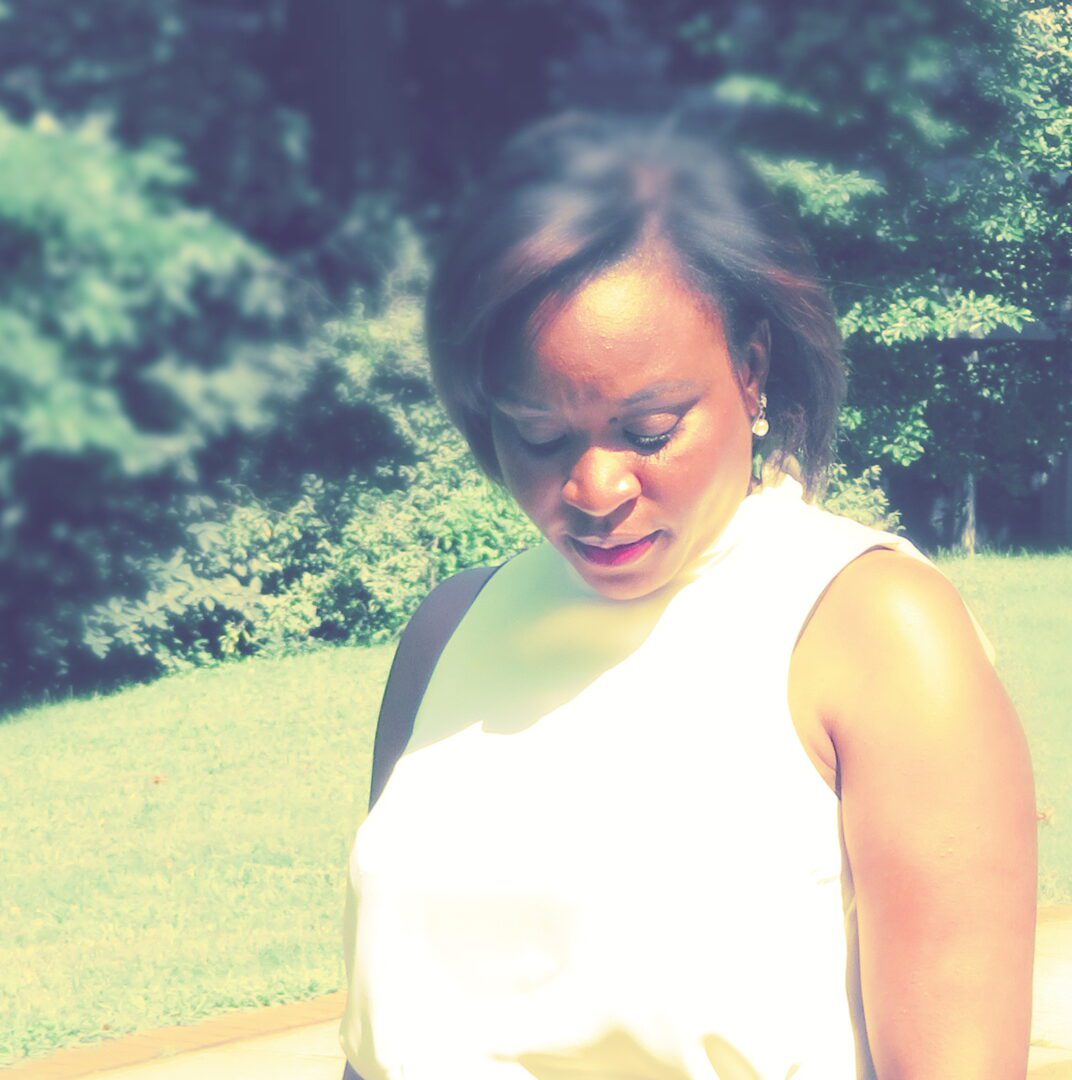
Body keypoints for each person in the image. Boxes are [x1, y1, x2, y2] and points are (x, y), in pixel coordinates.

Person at [338, 112, 1038, 1080]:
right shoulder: (445, 637)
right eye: (538, 438)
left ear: (750, 373)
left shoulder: (872, 633)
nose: (595, 488)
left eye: (650, 428)